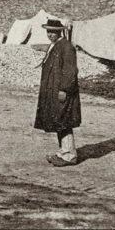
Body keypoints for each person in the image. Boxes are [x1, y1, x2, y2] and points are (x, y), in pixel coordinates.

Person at [34, 18, 81, 166]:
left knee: (64, 120)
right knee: (58, 120)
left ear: (59, 31)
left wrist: (64, 90)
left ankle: (69, 155)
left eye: (53, 32)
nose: (50, 34)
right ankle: (64, 151)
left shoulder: (66, 47)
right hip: (54, 90)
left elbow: (70, 71)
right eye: (48, 31)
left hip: (62, 91)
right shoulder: (55, 46)